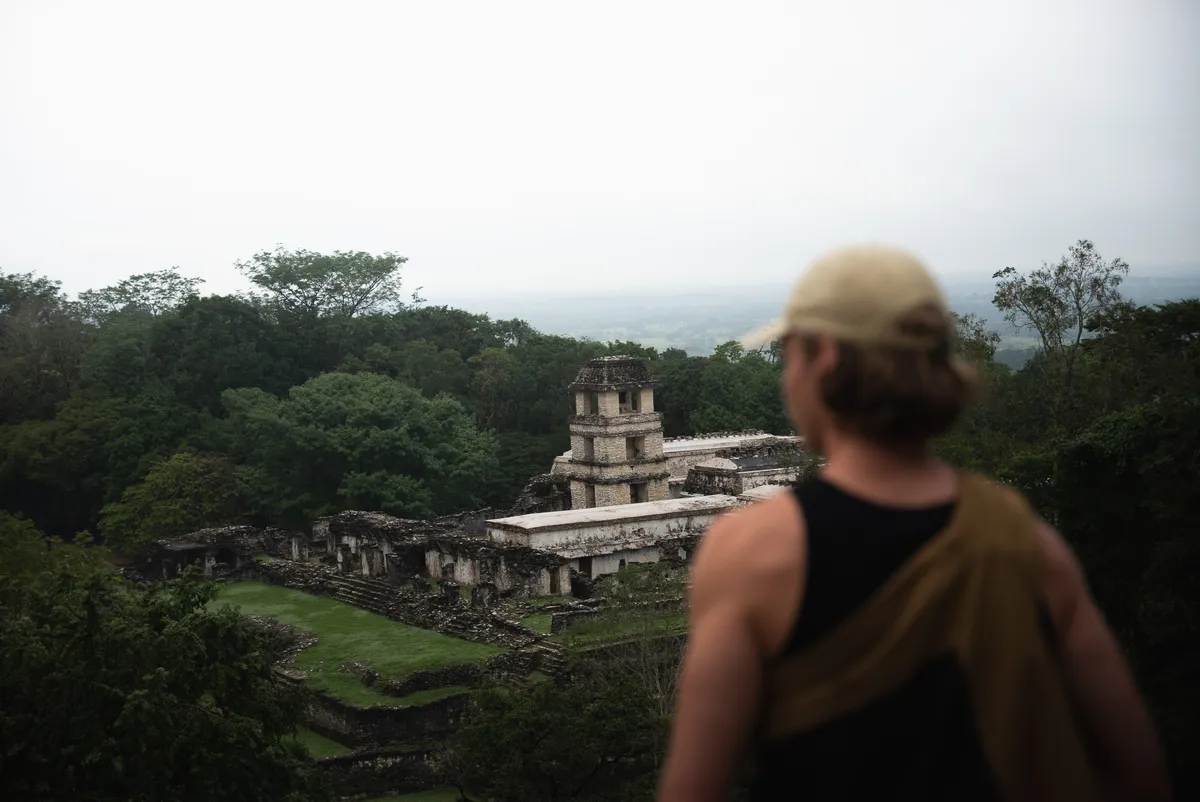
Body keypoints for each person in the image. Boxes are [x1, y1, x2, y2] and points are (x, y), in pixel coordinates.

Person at [656, 245, 1171, 802]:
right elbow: (1138, 772)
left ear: (825, 358)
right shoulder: (1026, 543)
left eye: (790, 356)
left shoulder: (753, 551)